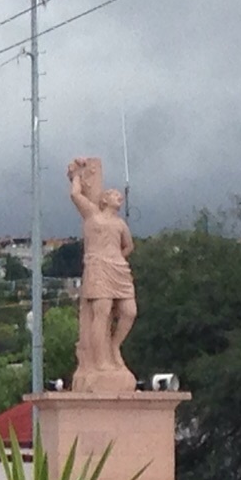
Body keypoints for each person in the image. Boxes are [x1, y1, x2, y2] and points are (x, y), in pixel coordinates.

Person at [67, 156, 138, 391]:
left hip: (117, 268)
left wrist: (116, 258)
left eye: (120, 196)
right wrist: (77, 175)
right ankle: (100, 362)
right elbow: (75, 195)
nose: (119, 197)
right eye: (114, 194)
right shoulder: (92, 214)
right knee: (102, 311)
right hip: (98, 268)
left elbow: (129, 246)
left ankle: (115, 346)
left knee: (129, 311)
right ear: (104, 198)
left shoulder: (121, 225)